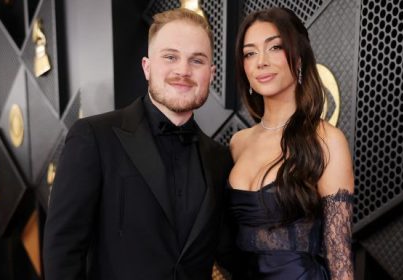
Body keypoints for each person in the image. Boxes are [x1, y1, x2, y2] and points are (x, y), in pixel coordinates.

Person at [43, 8, 233, 280]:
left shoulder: (219, 158)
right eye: (170, 57)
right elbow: (62, 251)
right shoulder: (93, 137)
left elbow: (229, 250)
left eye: (197, 61)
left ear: (211, 74)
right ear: (147, 67)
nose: (183, 70)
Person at [228, 7, 354, 280]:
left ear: (298, 58)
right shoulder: (238, 143)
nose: (261, 61)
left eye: (274, 47)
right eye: (249, 53)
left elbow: (339, 255)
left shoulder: (326, 140)